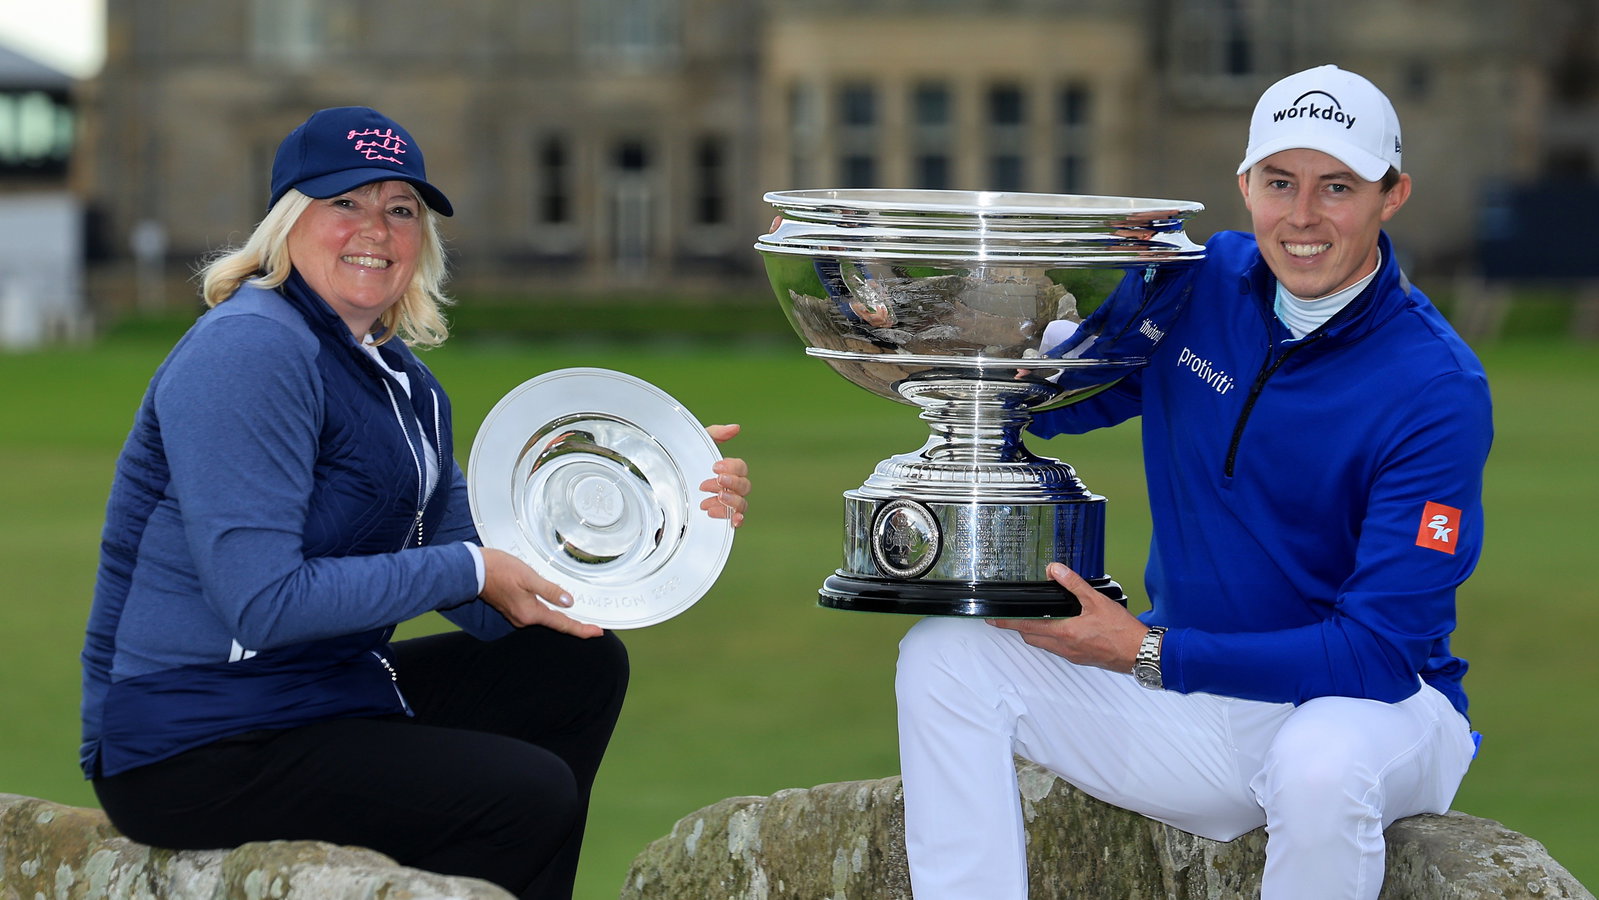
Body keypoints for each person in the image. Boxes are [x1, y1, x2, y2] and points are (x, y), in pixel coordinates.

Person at [79, 106, 751, 900]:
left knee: (577, 667)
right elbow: (262, 604)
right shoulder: (250, 347)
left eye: (401, 209)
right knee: (523, 795)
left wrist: (657, 492)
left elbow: (495, 597)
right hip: (190, 739)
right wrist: (468, 569)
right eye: (345, 203)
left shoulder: (407, 386)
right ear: (288, 222)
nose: (376, 230)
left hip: (324, 694)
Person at [895, 65, 1490, 900]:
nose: (1304, 215)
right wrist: (932, 322)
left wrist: (1145, 651)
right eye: (1280, 183)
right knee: (945, 658)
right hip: (1196, 698)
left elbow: (1380, 653)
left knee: (1319, 768)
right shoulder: (1202, 283)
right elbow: (1062, 400)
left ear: (1392, 196)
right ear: (1244, 186)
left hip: (1375, 711)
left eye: (1338, 187)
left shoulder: (1435, 387)